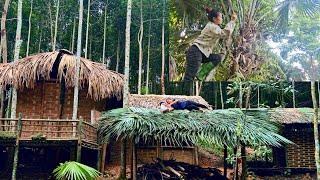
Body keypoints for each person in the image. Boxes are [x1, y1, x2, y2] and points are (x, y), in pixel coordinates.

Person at [183, 8, 237, 81]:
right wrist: (232, 21)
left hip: (202, 53)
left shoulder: (215, 27)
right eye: (220, 17)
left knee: (217, 58)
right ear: (214, 19)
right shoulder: (212, 27)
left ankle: (200, 74)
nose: (222, 19)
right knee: (189, 77)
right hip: (196, 51)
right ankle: (184, 91)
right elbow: (225, 33)